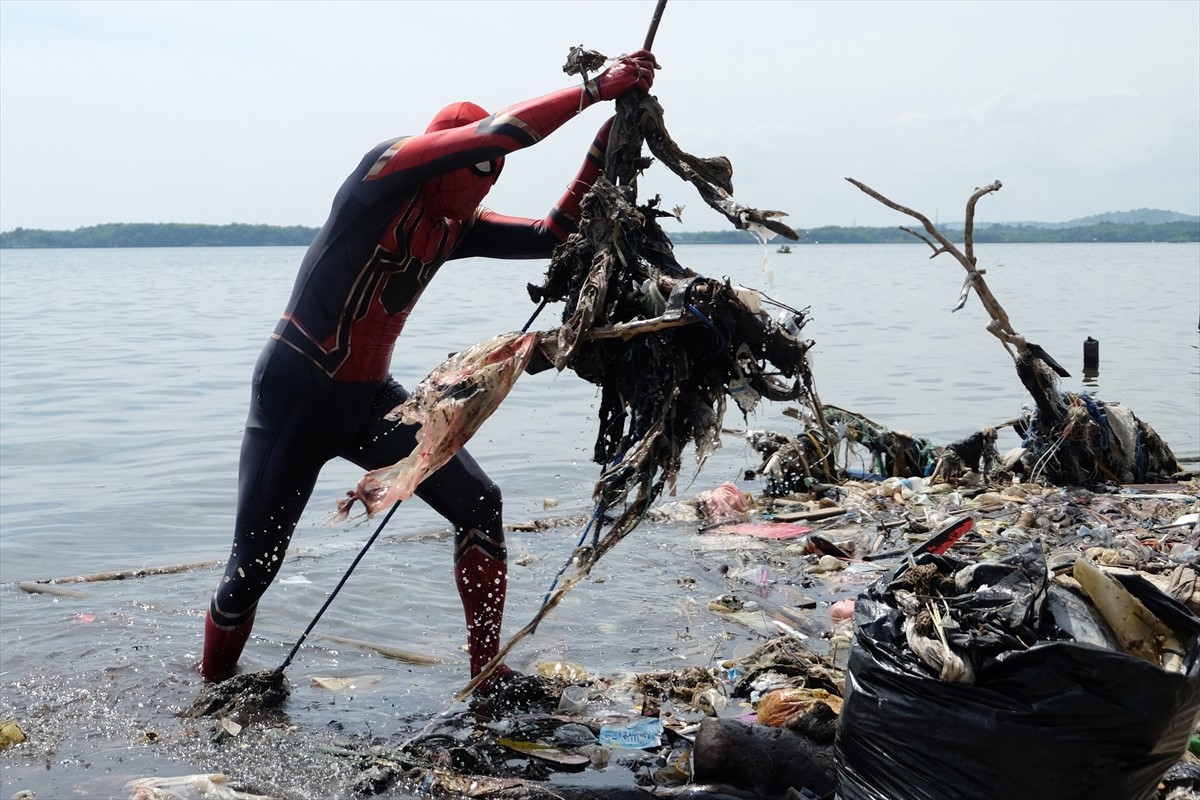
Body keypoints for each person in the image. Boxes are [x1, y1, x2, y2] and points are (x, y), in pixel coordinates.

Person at [201, 50, 659, 690]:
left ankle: (484, 677)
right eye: (477, 167)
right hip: (296, 391)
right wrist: (591, 89)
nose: (485, 180)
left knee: (480, 504)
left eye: (493, 175)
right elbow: (501, 131)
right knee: (254, 563)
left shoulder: (453, 225)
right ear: (444, 154)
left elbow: (552, 232)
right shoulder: (383, 176)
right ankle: (213, 688)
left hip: (370, 402)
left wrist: (603, 148)